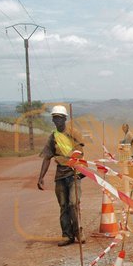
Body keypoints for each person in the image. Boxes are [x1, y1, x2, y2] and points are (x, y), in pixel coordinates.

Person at [37, 105, 85, 246]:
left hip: (74, 173)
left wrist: (75, 164)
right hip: (60, 175)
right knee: (63, 205)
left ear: (65, 119)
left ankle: (78, 232)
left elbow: (80, 153)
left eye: (59, 118)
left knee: (73, 204)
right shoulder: (53, 137)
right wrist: (41, 177)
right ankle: (66, 235)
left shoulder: (74, 133)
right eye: (54, 118)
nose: (57, 121)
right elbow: (47, 157)